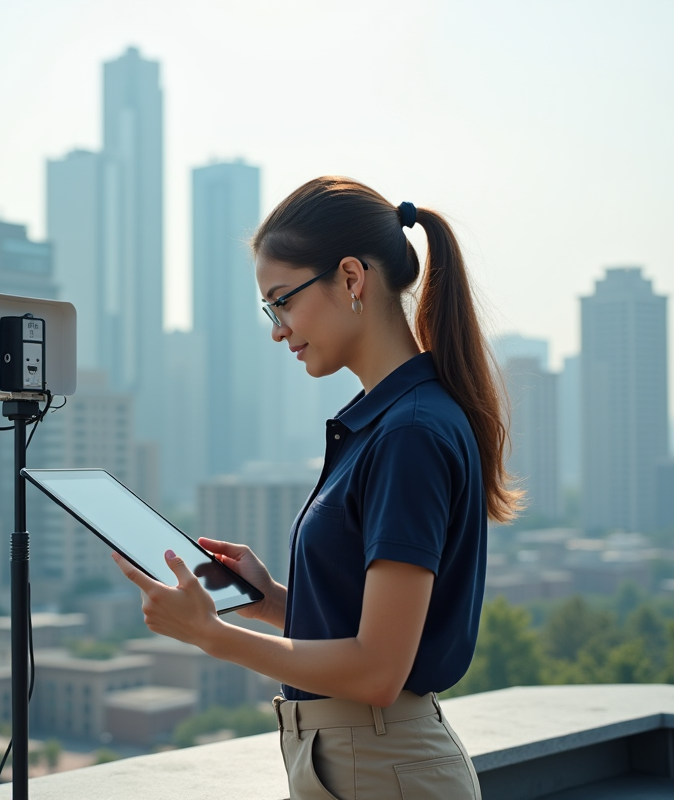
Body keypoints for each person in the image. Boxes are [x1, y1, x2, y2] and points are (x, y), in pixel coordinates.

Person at [112, 176, 521, 799]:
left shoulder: (407, 433)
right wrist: (270, 598)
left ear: (352, 279)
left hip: (381, 765)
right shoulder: (385, 420)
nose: (278, 329)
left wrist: (213, 635)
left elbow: (381, 671)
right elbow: (373, 630)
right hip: (360, 760)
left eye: (282, 301)